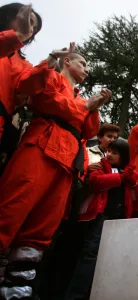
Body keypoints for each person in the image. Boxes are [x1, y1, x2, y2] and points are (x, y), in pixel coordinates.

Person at [0, 49, 111, 299]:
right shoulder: (51, 76)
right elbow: (38, 94)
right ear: (66, 61)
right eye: (82, 63)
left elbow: (89, 130)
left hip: (67, 160)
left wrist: (93, 107)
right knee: (10, 209)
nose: (86, 68)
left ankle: (16, 291)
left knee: (42, 228)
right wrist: (85, 106)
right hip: (40, 145)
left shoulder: (81, 96)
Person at [62, 139, 138, 300]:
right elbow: (96, 183)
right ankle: (75, 296)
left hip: (120, 220)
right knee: (89, 255)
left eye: (115, 152)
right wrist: (120, 177)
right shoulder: (100, 165)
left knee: (112, 257)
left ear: (124, 155)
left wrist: (132, 179)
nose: (109, 154)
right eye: (109, 151)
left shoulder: (129, 170)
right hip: (100, 218)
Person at [0, 3, 42, 173]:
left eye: (34, 27)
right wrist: (16, 36)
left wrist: (49, 67)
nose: (30, 28)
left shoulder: (24, 63)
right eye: (28, 20)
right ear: (9, 16)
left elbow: (22, 93)